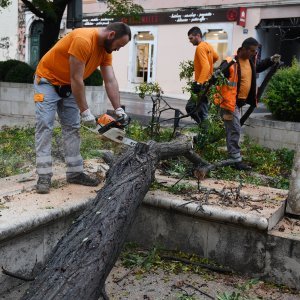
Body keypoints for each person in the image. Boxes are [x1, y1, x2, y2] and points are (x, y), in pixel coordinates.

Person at [33, 22, 131, 194]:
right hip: (47, 81)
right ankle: (44, 176)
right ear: (111, 35)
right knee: (45, 126)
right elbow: (76, 79)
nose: (118, 49)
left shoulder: (105, 51)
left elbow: (110, 80)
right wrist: (85, 111)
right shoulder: (83, 40)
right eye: (119, 45)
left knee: (72, 128)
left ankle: (75, 172)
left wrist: (118, 110)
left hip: (69, 85)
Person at [214, 37, 281, 170]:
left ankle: (231, 155)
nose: (254, 53)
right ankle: (235, 160)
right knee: (235, 129)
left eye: (255, 52)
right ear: (243, 49)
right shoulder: (230, 62)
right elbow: (217, 77)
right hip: (228, 104)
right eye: (252, 51)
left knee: (232, 129)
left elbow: (258, 67)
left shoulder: (250, 61)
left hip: (238, 104)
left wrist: (270, 60)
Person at [185, 26, 219, 124]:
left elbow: (207, 67)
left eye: (191, 38)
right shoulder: (207, 45)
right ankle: (203, 129)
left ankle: (204, 132)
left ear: (198, 36)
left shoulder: (200, 47)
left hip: (202, 85)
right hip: (207, 83)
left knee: (196, 109)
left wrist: (199, 83)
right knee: (197, 108)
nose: (190, 41)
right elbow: (216, 57)